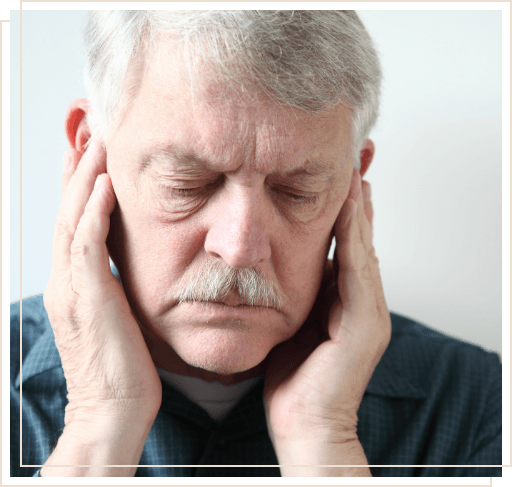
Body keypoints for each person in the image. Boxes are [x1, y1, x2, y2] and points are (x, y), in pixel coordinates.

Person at [10, 10, 501, 478]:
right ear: (87, 152)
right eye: (187, 183)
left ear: (353, 180)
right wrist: (99, 427)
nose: (241, 247)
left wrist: (325, 443)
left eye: (297, 192)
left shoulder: (479, 403)